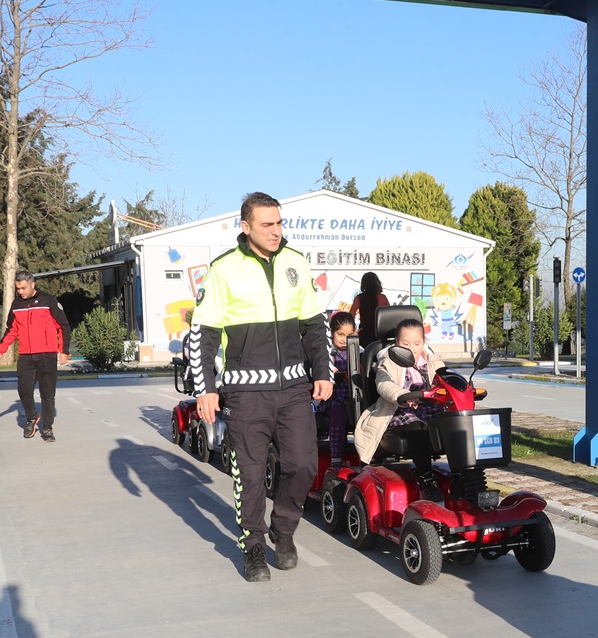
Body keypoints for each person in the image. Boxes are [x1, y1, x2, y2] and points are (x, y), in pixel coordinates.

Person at [189, 192, 334, 582]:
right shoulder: (223, 269)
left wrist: (323, 370)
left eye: (280, 223)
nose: (276, 231)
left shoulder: (296, 264)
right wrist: (205, 389)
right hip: (244, 393)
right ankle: (253, 546)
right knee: (250, 475)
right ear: (246, 226)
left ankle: (283, 531)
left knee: (303, 464)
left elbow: (314, 325)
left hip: (293, 390)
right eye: (267, 224)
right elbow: (202, 334)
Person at [354, 318, 446, 502]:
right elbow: (383, 383)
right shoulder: (389, 360)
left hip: (429, 409)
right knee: (417, 427)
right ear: (396, 343)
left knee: (456, 424)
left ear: (424, 342)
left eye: (417, 343)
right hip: (397, 411)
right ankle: (426, 479)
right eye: (405, 343)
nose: (412, 348)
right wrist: (403, 395)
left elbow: (446, 377)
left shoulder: (432, 360)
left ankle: (464, 476)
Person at [0, 271, 71, 442]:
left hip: (47, 354)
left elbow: (63, 326)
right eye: (18, 288)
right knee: (24, 390)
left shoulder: (48, 301)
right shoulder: (16, 305)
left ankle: (47, 428)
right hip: (26, 355)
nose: (20, 291)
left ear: (32, 284)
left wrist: (63, 351)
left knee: (47, 394)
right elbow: (12, 330)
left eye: (23, 288)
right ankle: (32, 416)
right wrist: (0, 350)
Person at [320, 312, 356, 466]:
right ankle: (336, 457)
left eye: (349, 334)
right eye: (340, 334)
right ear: (332, 333)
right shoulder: (328, 354)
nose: (344, 339)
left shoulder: (358, 351)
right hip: (332, 399)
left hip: (354, 399)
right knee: (339, 414)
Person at [350, 271, 389, 345]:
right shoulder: (383, 298)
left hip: (364, 336)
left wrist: (353, 331)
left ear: (363, 285)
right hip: (380, 336)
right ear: (377, 283)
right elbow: (389, 316)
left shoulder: (359, 298)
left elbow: (351, 315)